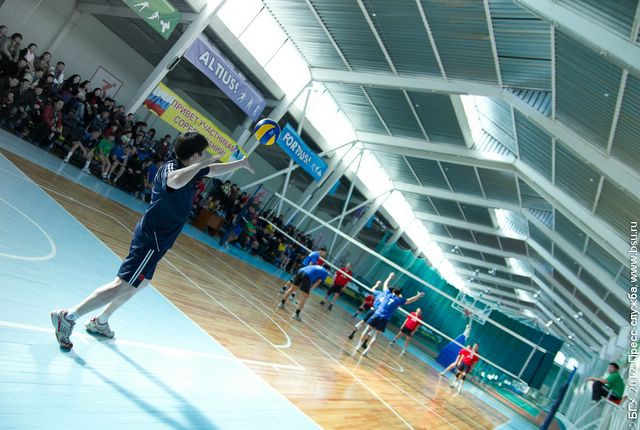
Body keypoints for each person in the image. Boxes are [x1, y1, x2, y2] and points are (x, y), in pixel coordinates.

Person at [50, 132, 254, 349]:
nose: (205, 157)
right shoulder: (172, 168)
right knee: (122, 285)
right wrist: (200, 166)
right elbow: (174, 181)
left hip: (160, 241)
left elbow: (213, 170)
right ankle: (69, 316)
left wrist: (240, 163)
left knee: (140, 283)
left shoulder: (192, 169)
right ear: (194, 156)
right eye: (203, 153)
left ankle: (101, 321)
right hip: (152, 238)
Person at [357, 272, 425, 356]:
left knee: (366, 330)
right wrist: (418, 296)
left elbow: (385, 284)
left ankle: (358, 346)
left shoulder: (387, 294)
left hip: (377, 314)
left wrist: (390, 276)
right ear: (399, 294)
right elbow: (410, 300)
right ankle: (366, 351)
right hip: (384, 319)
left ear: (393, 291)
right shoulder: (399, 300)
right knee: (375, 336)